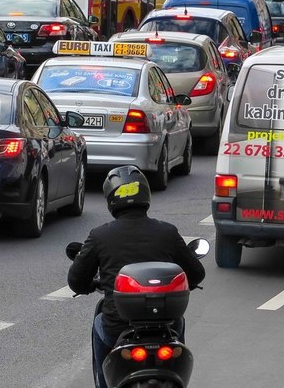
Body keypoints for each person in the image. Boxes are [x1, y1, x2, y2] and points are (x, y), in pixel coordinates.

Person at [67, 166, 206, 388]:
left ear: (111, 198)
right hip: (166, 330)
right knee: (179, 322)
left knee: (98, 323)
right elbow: (197, 273)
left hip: (116, 328)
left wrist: (90, 285)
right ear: (145, 194)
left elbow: (76, 281)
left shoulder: (100, 235)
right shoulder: (167, 232)